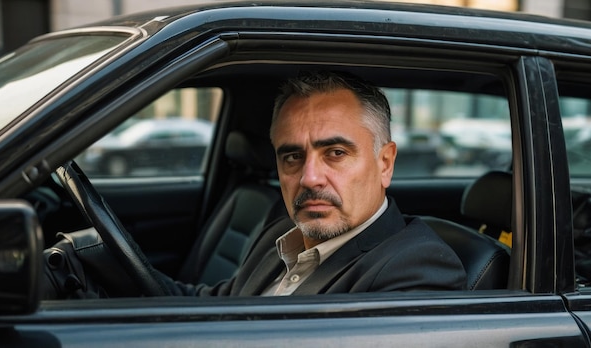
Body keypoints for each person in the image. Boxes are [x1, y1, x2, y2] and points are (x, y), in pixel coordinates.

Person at [164, 70, 467, 296]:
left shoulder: (418, 269)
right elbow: (216, 307)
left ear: (385, 163)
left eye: (335, 153)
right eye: (293, 157)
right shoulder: (282, 234)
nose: (309, 178)